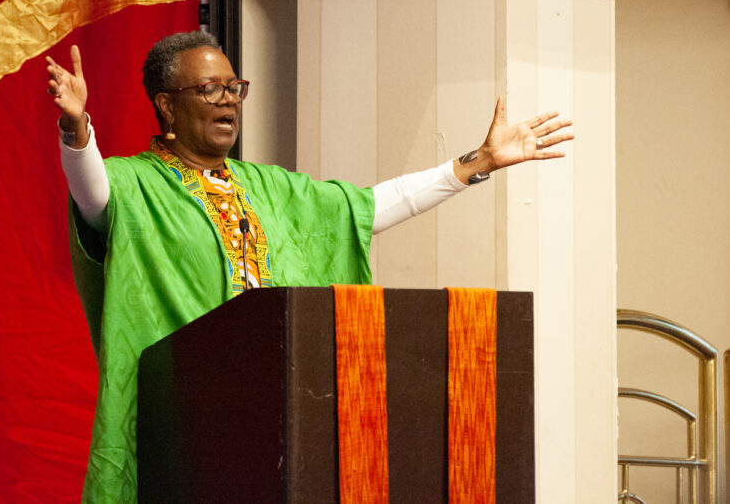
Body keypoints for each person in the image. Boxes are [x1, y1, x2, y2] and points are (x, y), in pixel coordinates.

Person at [46, 30, 572, 502]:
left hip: (277, 418)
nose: (228, 100)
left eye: (234, 88)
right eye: (209, 89)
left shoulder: (272, 189)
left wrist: (476, 163)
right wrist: (77, 132)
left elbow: (365, 208)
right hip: (185, 423)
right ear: (166, 105)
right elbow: (92, 193)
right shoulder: (133, 184)